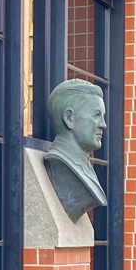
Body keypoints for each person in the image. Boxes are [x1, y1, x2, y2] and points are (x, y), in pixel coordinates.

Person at [43, 79, 108, 223]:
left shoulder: (85, 165)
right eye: (96, 115)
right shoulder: (58, 163)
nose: (103, 125)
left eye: (102, 116)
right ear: (69, 118)